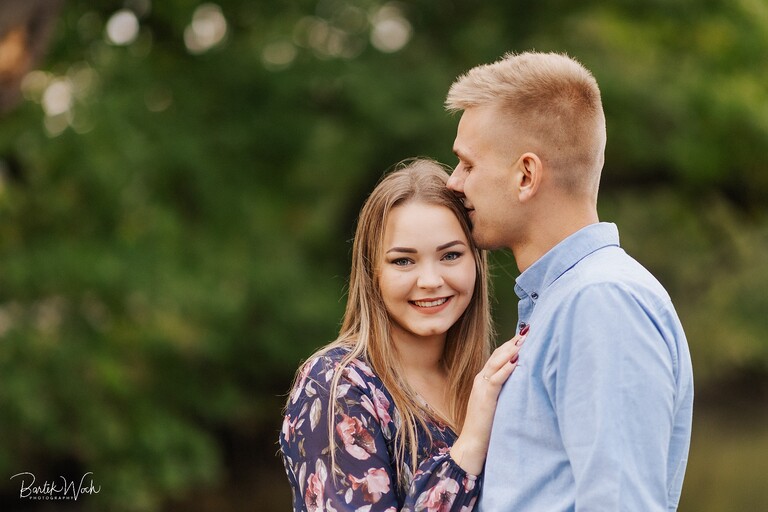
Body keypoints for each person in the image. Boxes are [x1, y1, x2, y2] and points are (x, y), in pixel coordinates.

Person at [445, 51, 694, 511]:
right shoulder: (563, 302)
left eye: (468, 164)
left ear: (525, 175)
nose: (454, 182)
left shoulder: (602, 303)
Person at [279, 158, 524, 511]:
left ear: (476, 262)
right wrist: (468, 447)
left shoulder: (485, 384)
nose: (430, 281)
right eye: (403, 261)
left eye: (450, 255)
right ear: (372, 271)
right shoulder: (336, 386)